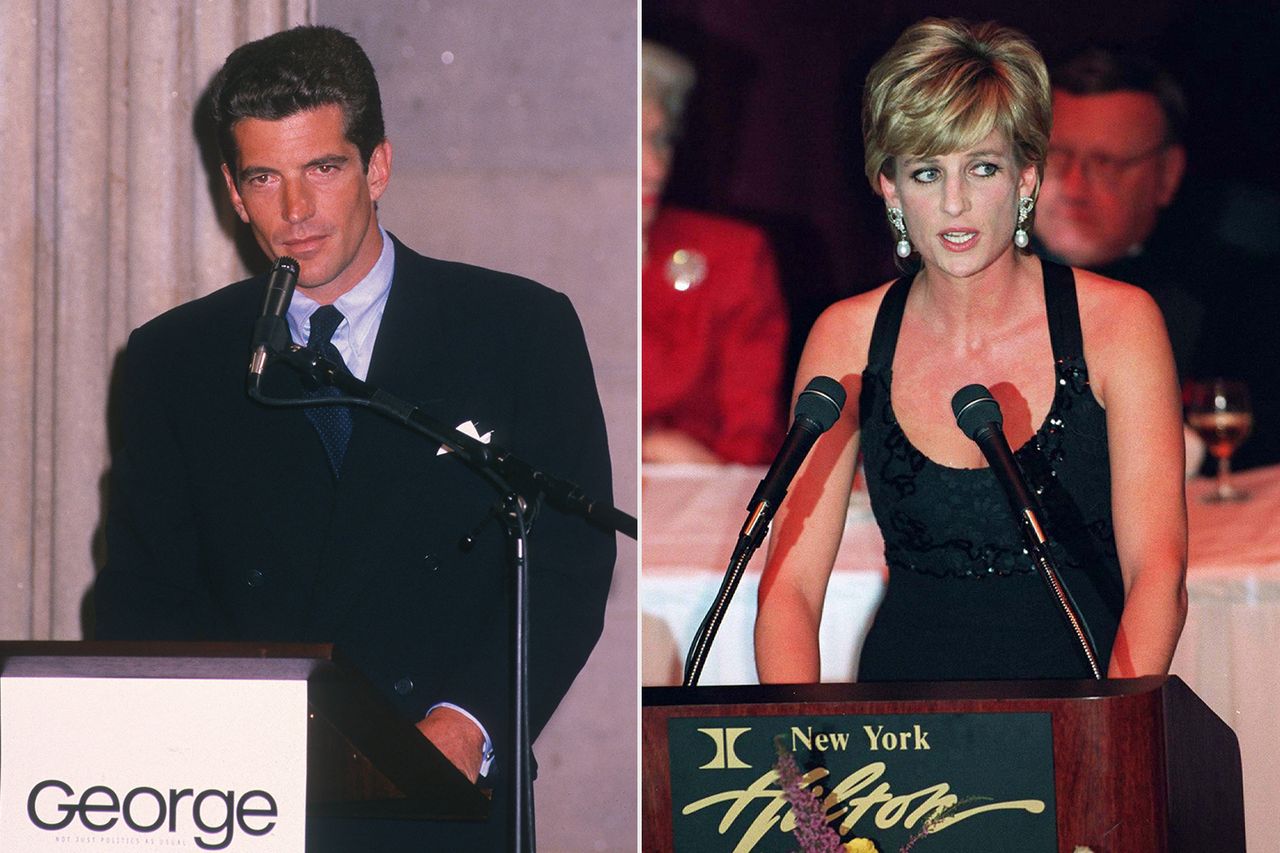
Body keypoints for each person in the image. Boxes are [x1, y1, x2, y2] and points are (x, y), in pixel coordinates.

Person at [93, 25, 616, 850]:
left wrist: (469, 723)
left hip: (445, 787)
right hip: (241, 799)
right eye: (265, 177)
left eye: (322, 169)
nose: (294, 212)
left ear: (377, 166)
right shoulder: (174, 358)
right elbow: (141, 591)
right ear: (233, 191)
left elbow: (568, 563)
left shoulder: (518, 327)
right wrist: (188, 749)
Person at [754, 18, 1187, 685]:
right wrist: (803, 763)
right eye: (927, 173)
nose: (955, 204)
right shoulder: (847, 336)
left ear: (1025, 177)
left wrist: (1108, 737)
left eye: (981, 167)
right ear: (890, 188)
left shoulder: (1117, 325)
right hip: (900, 736)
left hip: (1083, 714)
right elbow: (790, 588)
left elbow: (1157, 571)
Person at [642, 40, 788, 465]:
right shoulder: (525, 263)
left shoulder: (733, 256)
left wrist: (705, 475)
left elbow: (754, 438)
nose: (655, 168)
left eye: (660, 140)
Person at [1033, 48, 1204, 379]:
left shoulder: (1229, 312)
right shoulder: (969, 285)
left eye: (1105, 163)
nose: (1073, 185)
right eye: (1056, 154)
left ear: (1168, 174)